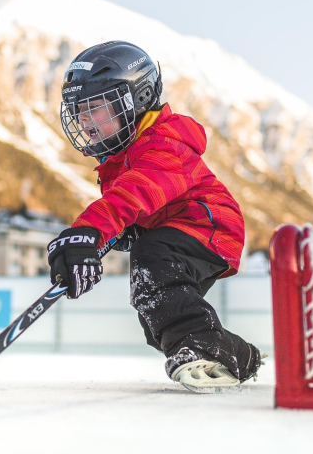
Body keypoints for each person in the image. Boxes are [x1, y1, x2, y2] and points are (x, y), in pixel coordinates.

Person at [47, 41, 262, 393]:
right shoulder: (121, 158)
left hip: (208, 224)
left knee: (154, 261)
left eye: (96, 108)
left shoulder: (163, 144)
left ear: (138, 99)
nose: (85, 122)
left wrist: (88, 232)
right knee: (158, 312)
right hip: (175, 227)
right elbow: (137, 207)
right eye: (79, 112)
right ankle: (236, 355)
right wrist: (122, 233)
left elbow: (134, 194)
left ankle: (204, 349)